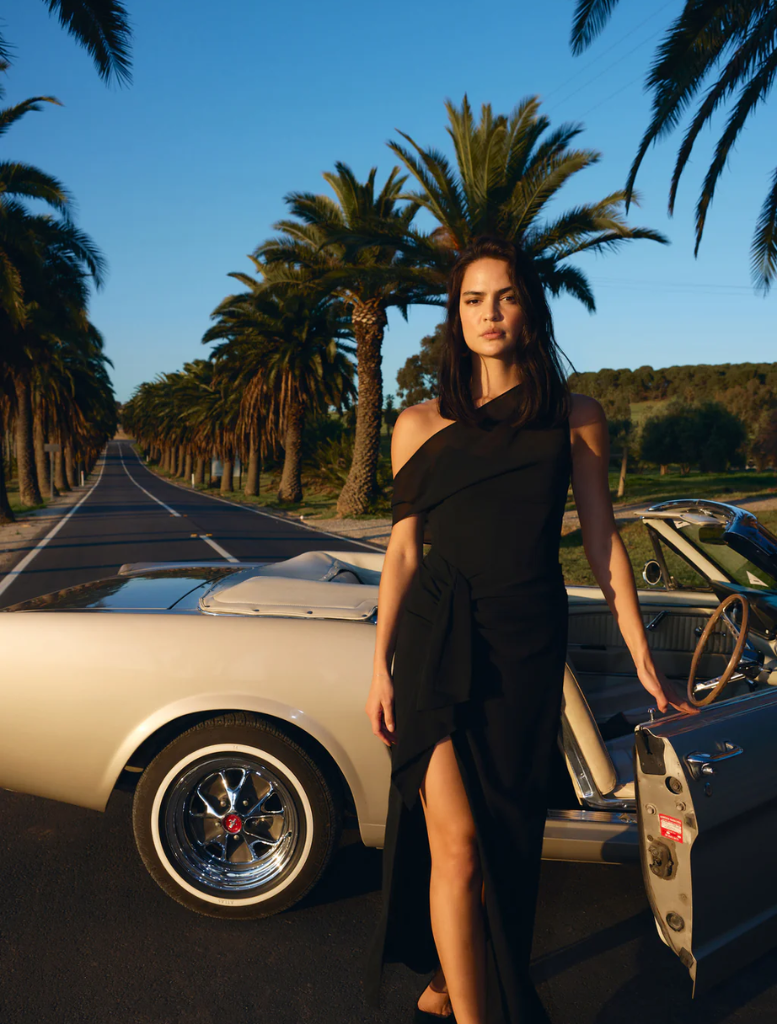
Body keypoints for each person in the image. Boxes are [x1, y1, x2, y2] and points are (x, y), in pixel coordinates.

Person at [363, 235, 695, 1024]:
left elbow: (601, 539)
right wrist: (379, 665)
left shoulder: (575, 417)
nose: (489, 313)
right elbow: (403, 553)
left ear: (530, 308)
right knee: (459, 843)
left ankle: (448, 983)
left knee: (508, 842)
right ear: (454, 315)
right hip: (435, 642)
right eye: (472, 299)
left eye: (504, 296)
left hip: (525, 645)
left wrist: (643, 658)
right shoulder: (416, 423)